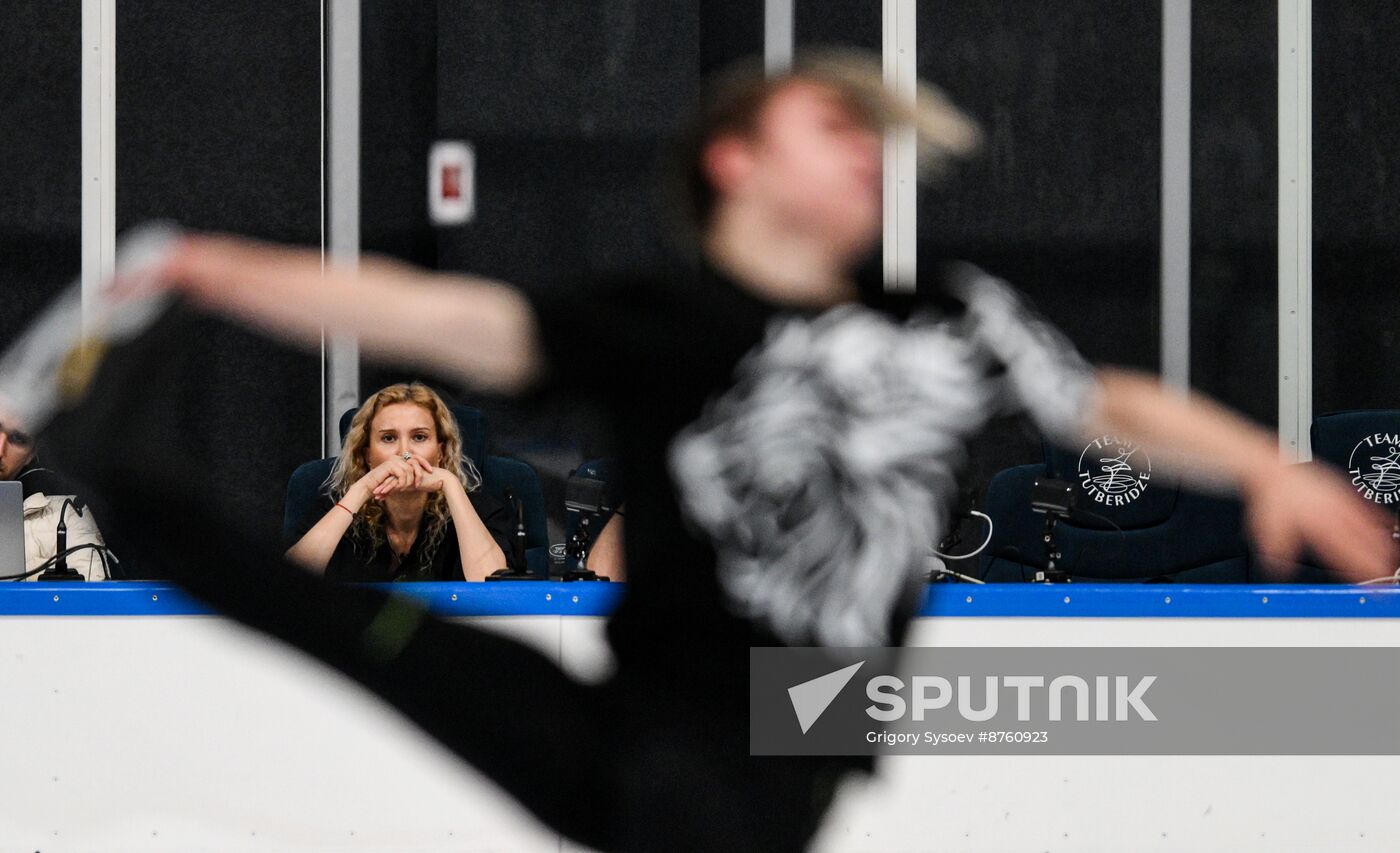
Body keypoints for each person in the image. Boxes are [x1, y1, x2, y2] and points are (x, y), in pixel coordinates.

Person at [27, 51, 1399, 851]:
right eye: (830, 128)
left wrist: (1265, 466)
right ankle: (120, 477)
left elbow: (1102, 403)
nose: (868, 153)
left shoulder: (944, 316)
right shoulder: (660, 323)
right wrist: (213, 264)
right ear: (734, 162)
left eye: (878, 139)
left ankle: (124, 479)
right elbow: (441, 315)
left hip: (778, 732)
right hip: (651, 736)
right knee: (345, 621)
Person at [286, 383, 516, 581]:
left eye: (419, 437)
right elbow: (290, 579)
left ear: (441, 452)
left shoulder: (477, 509)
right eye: (388, 438)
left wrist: (451, 484)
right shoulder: (335, 507)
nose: (405, 452)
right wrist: (362, 489)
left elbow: (492, 586)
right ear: (367, 455)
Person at [0, 422, 108, 580]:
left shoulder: (66, 514)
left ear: (31, 454)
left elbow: (88, 599)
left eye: (18, 438)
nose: (0, 450)